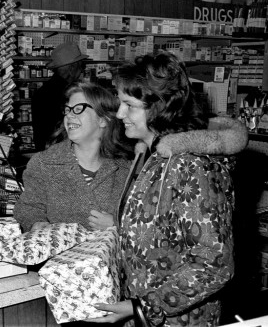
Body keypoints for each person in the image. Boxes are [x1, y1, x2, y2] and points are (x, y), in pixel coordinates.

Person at [88, 52, 248, 326]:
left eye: (129, 105)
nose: (119, 113)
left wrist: (144, 306)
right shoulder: (154, 156)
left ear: (159, 107)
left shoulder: (192, 169)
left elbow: (215, 265)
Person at [14, 82, 133, 233]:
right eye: (67, 110)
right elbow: (28, 207)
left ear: (103, 120)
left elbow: (140, 218)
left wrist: (118, 223)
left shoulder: (125, 170)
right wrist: (37, 224)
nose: (69, 115)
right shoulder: (44, 163)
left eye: (78, 109)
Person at [31, 42, 88, 151]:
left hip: (45, 153)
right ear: (72, 68)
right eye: (81, 66)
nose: (81, 70)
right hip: (65, 153)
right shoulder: (71, 94)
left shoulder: (41, 92)